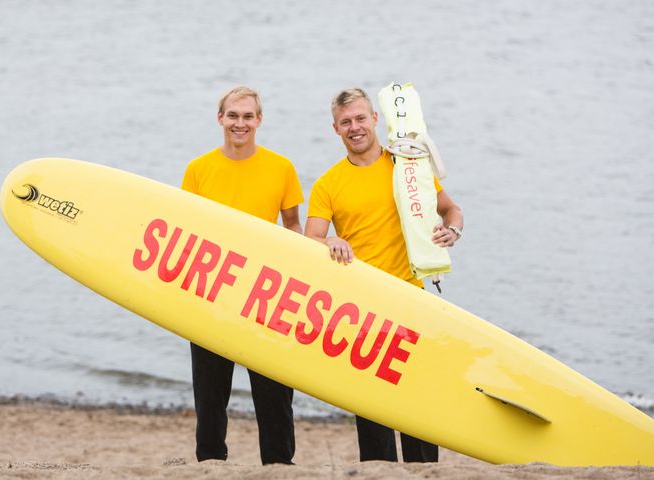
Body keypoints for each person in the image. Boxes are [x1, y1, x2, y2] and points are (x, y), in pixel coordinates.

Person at [305, 87, 463, 462]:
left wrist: (452, 230)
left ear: (376, 119)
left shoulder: (406, 166)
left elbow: (450, 209)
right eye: (346, 122)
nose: (355, 127)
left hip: (411, 294)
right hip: (362, 304)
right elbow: (309, 239)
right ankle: (379, 469)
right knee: (372, 401)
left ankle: (424, 469)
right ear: (335, 129)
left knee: (418, 395)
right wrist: (330, 240)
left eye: (360, 118)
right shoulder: (328, 183)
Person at [181, 86, 303, 465]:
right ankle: (210, 465)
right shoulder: (199, 170)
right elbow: (185, 236)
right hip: (212, 297)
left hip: (266, 299)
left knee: (275, 397)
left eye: (248, 116)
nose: (240, 123)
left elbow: (293, 228)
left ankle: (279, 467)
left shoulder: (280, 167)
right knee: (211, 397)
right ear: (220, 119)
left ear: (259, 120)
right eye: (233, 115)